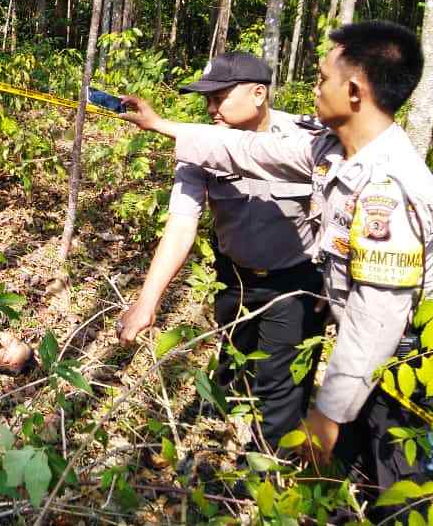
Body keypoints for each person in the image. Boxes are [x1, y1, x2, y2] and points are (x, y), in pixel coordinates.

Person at [120, 22, 433, 509]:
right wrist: (160, 125)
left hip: (407, 362)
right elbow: (249, 150)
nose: (314, 88)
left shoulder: (385, 187)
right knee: (365, 474)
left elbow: (377, 319)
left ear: (355, 91)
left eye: (322, 78)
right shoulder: (333, 151)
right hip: (367, 353)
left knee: (410, 493)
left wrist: (329, 411)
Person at [116, 52, 324, 451]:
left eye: (220, 97)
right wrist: (147, 301)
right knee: (235, 364)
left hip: (296, 284)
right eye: (207, 100)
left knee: (281, 394)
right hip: (236, 281)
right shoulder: (197, 146)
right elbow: (181, 225)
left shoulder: (305, 139)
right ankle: (219, 447)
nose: (211, 108)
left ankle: (265, 480)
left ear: (258, 93)